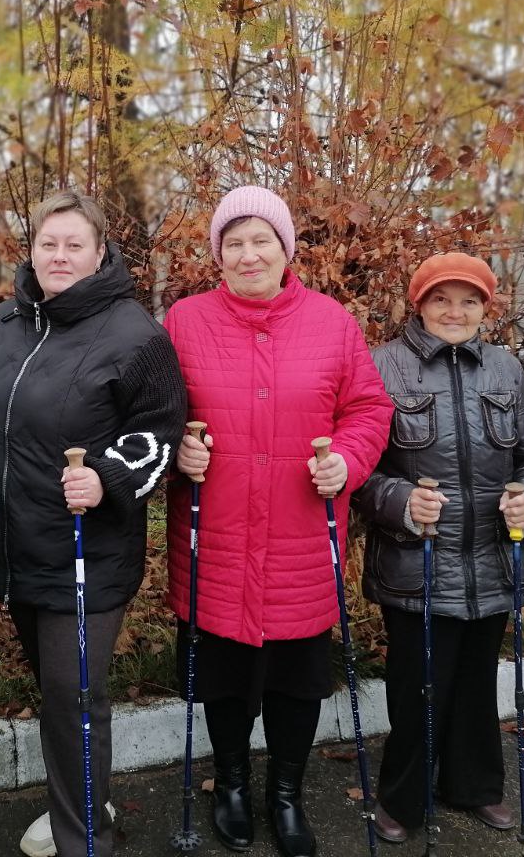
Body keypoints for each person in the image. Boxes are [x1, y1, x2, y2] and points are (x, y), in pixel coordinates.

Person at [165, 185, 393, 857]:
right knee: (222, 679)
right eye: (233, 243)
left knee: (297, 681)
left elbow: (368, 409)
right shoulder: (184, 320)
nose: (248, 254)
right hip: (217, 537)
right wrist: (178, 450)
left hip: (301, 536)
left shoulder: (332, 322)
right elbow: (152, 410)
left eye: (261, 239)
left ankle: (286, 793)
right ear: (218, 255)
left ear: (286, 248)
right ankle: (232, 786)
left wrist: (347, 461)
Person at [0, 190, 186, 857]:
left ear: (99, 253)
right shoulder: (7, 321)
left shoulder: (134, 335)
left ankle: (85, 836)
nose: (59, 256)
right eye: (48, 243)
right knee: (61, 696)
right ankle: (84, 799)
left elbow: (159, 435)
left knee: (73, 699)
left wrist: (108, 475)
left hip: (87, 552)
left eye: (74, 245)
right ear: (31, 249)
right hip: (15, 547)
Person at [353, 253, 524, 843]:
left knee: (475, 684)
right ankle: (403, 798)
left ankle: (474, 787)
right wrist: (399, 501)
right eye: (441, 299)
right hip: (416, 562)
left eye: (469, 301)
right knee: (418, 688)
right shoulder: (382, 365)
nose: (454, 311)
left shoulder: (505, 367)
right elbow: (360, 468)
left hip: (492, 559)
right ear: (418, 304)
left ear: (486, 308)